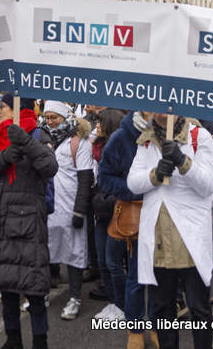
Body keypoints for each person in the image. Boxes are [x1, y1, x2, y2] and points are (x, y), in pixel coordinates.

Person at [0, 96, 58, 349]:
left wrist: (25, 141)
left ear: (17, 109)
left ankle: (40, 340)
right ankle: (13, 339)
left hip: (26, 224)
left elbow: (49, 166)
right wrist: (4, 158)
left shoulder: (39, 134)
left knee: (33, 287)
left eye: (4, 106)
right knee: (8, 284)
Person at [127, 112, 213, 349]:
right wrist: (155, 175)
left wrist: (182, 161)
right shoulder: (146, 141)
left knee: (199, 309)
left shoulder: (200, 137)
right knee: (162, 310)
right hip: (158, 239)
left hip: (190, 239)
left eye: (165, 108)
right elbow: (133, 182)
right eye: (153, 109)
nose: (159, 114)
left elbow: (207, 185)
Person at [97, 110, 158, 349]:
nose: (154, 111)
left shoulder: (175, 134)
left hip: (168, 215)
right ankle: (135, 328)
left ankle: (157, 324)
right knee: (136, 275)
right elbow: (104, 176)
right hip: (137, 215)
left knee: (162, 277)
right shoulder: (122, 137)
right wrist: (136, 190)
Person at [42, 100, 94, 321]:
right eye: (47, 117)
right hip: (50, 206)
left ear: (65, 117)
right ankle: (41, 293)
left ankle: (74, 298)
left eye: (54, 117)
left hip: (71, 206)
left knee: (74, 253)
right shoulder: (44, 140)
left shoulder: (79, 142)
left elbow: (85, 178)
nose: (50, 121)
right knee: (45, 251)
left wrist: (80, 210)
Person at [88, 109, 126, 320]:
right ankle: (112, 302)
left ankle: (121, 305)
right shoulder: (97, 147)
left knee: (113, 262)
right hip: (100, 211)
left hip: (116, 211)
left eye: (100, 123)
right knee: (103, 261)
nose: (96, 127)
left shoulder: (121, 149)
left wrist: (106, 199)